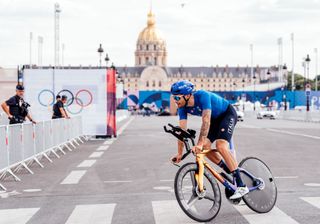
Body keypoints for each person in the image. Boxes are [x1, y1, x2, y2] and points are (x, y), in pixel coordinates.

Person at [170, 80, 248, 199]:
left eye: (177, 98)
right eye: (173, 98)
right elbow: (182, 132)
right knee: (204, 148)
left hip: (227, 114)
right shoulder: (182, 107)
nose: (175, 101)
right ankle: (230, 170)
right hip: (215, 121)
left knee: (220, 146)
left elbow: (206, 121)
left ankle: (242, 186)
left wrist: (199, 143)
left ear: (187, 95)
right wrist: (180, 153)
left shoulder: (203, 96)